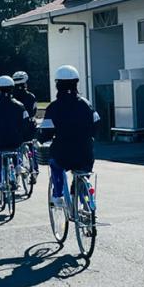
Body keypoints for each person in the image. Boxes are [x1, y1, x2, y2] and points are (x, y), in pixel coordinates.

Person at [39, 65, 100, 207]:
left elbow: (46, 132)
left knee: (55, 165)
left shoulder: (53, 107)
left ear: (57, 84)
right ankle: (85, 201)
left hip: (62, 153)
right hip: (85, 152)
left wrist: (41, 138)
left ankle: (58, 196)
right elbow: (97, 124)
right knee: (82, 172)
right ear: (76, 83)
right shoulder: (86, 104)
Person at [0, 76, 29, 203]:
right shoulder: (20, 106)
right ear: (12, 89)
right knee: (16, 152)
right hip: (15, 141)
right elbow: (26, 123)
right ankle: (18, 166)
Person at [13, 71, 39, 177]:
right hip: (29, 126)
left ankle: (18, 166)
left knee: (16, 147)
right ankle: (35, 169)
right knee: (31, 146)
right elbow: (34, 111)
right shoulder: (31, 96)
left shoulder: (12, 96)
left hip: (16, 127)